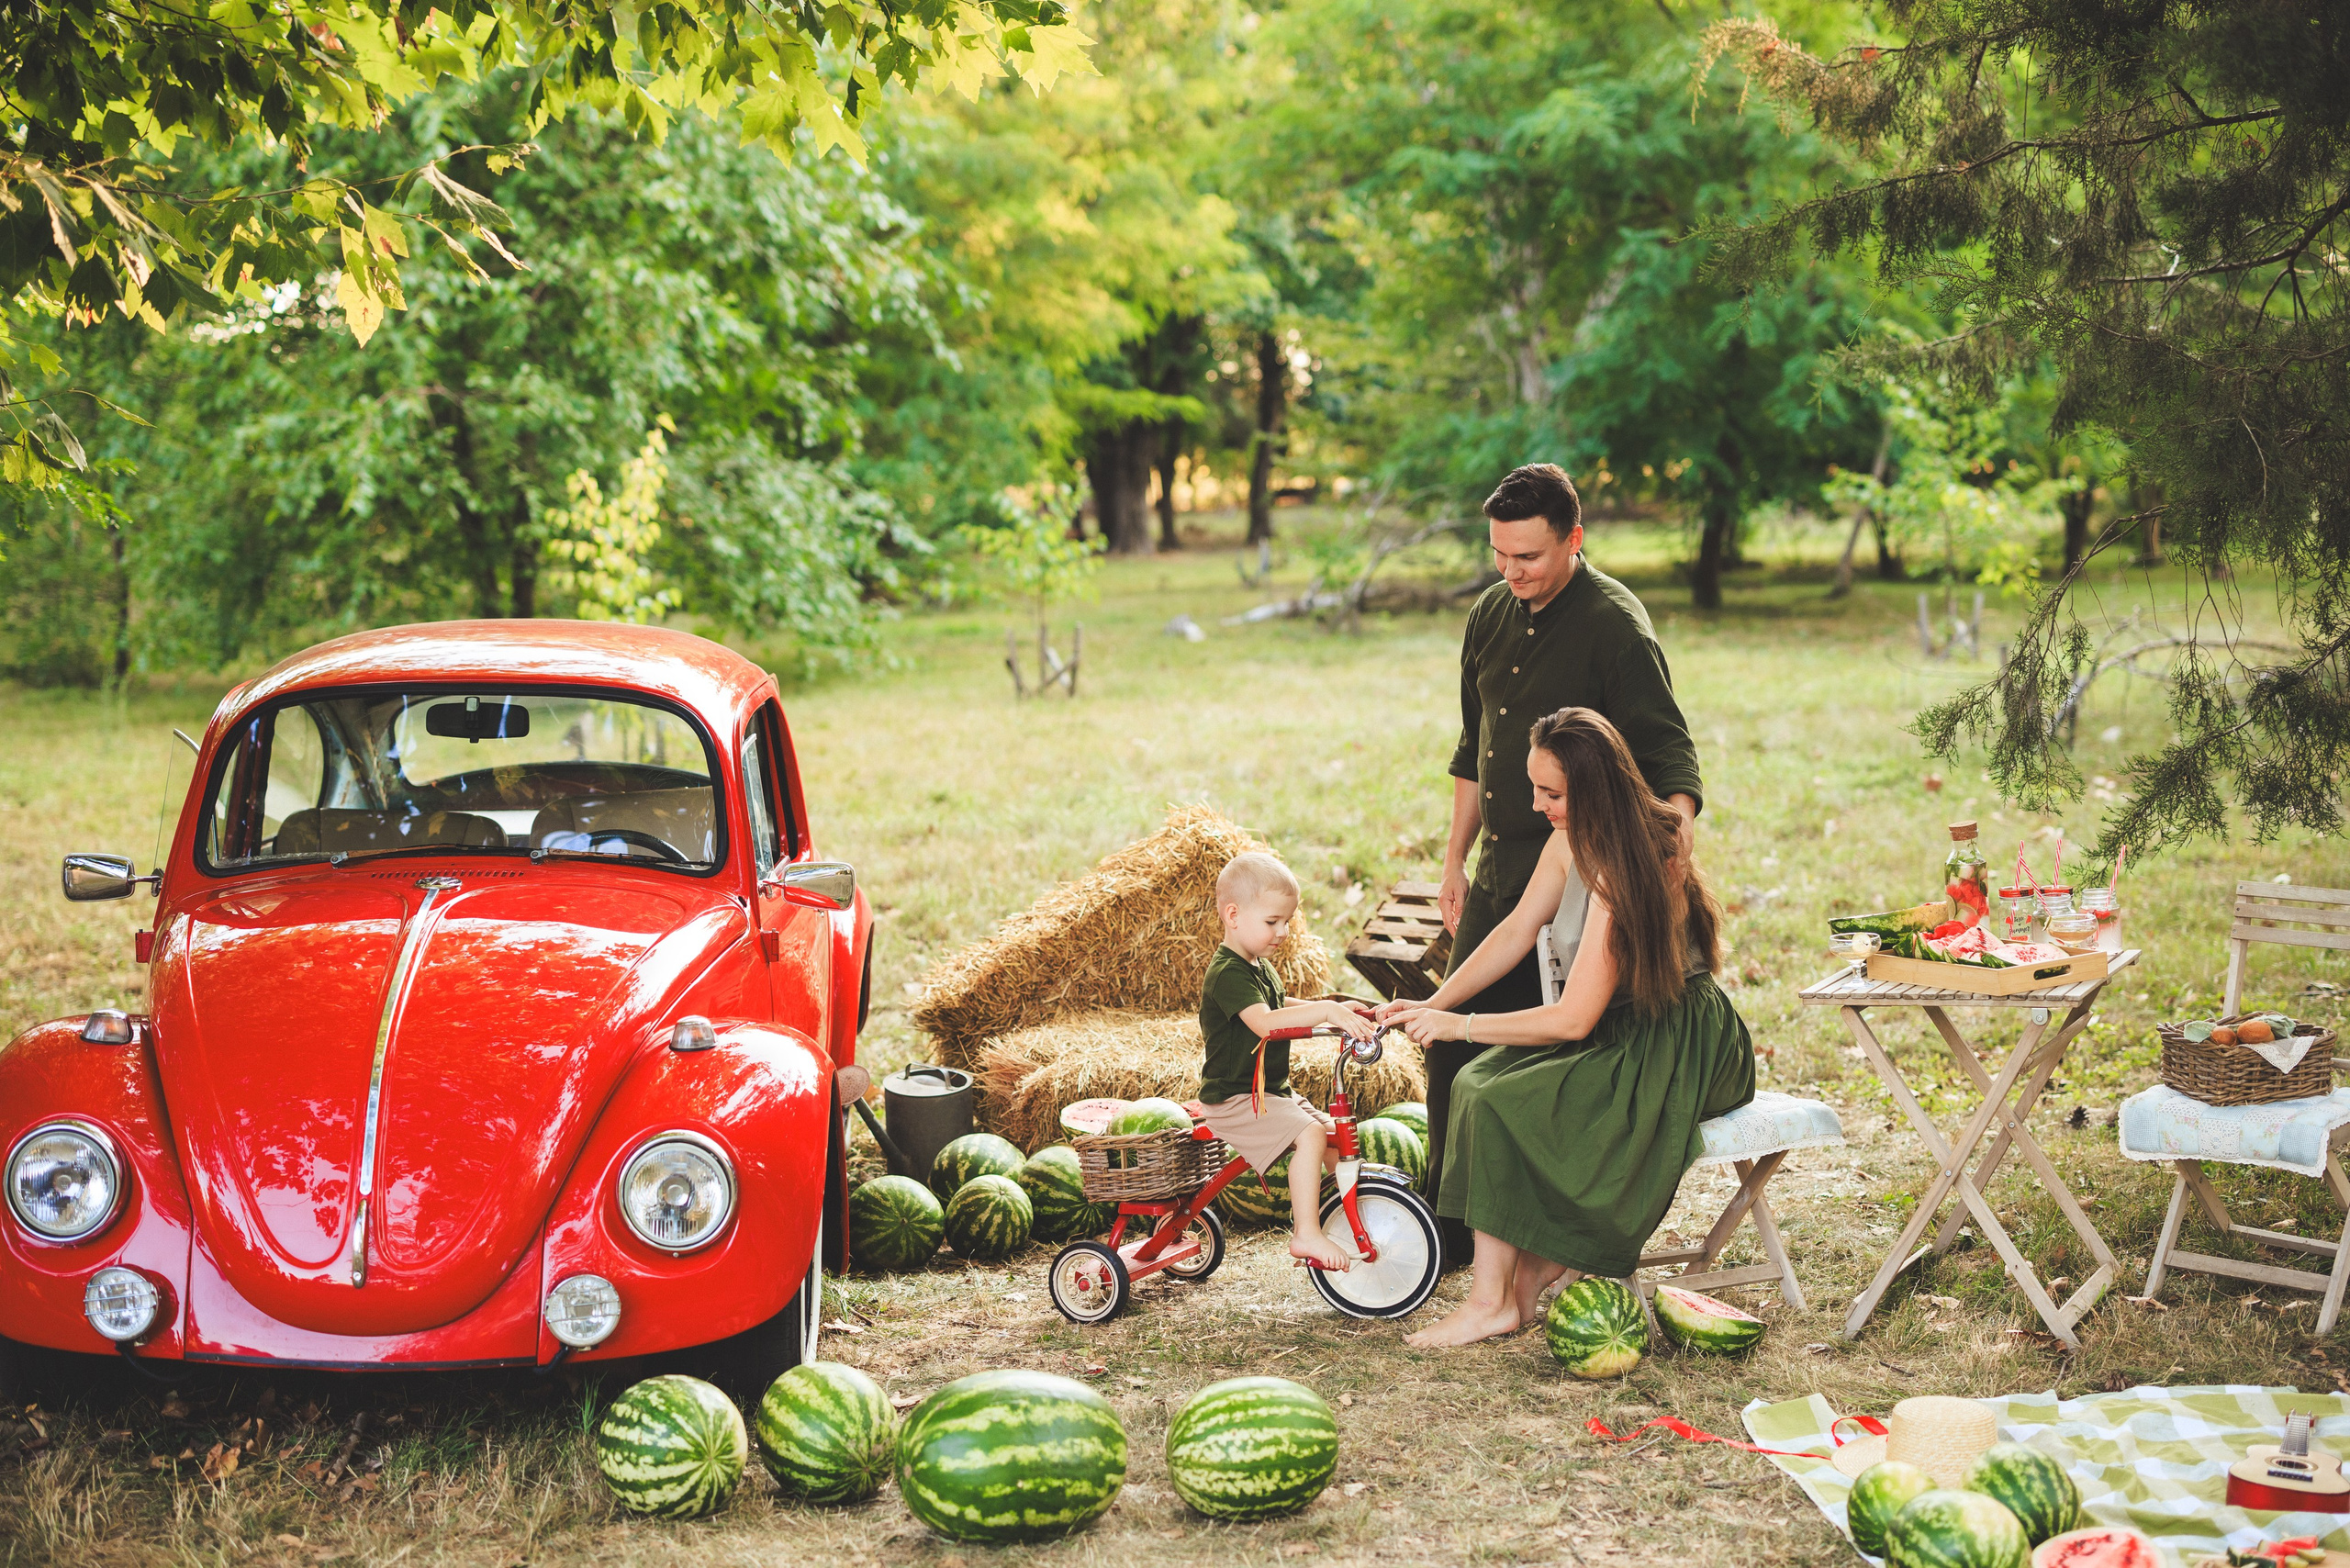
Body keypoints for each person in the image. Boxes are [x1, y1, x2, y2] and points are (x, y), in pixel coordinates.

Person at [1381, 707, 1753, 1348]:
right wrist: (1432, 1003)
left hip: (1674, 1040)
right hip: (1619, 1024)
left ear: (1594, 788)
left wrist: (1460, 1025)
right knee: (1479, 1081)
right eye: (1534, 788)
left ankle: (1496, 1298)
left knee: (1494, 1092)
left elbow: (1574, 1019)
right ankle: (1509, 1290)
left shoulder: (1631, 865)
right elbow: (1517, 931)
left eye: (1551, 793)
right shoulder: (1569, 839)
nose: (1537, 805)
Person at [1425, 463, 1704, 1266]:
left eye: (1530, 558)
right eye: (1499, 556)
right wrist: (1455, 856)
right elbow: (1471, 748)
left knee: (1544, 1055)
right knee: (1450, 1043)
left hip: (1583, 866)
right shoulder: (1490, 612)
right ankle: (1453, 1229)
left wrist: (1663, 866)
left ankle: (1540, 1223)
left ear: (1574, 540)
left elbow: (1670, 755)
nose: (1511, 573)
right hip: (1505, 866)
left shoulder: (1617, 625)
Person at [1191, 851, 1376, 1271]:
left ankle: (1358, 1210)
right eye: (1272, 922)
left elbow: (1279, 1004)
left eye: (1287, 921)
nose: (1283, 931)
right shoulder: (1227, 972)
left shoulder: (1259, 967)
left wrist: (1331, 1005)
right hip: (1235, 1100)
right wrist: (1327, 1015)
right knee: (1311, 1135)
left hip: (1270, 1093)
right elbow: (1264, 1023)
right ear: (1233, 915)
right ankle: (1306, 1233)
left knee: (1330, 1135)